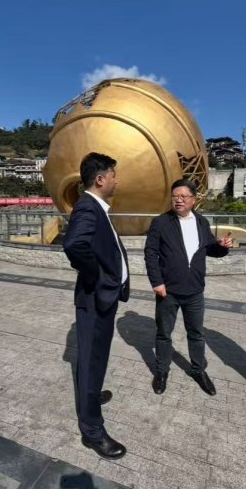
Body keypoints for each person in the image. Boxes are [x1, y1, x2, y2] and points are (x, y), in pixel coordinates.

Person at [63, 152, 129, 460]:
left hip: (103, 297)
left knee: (97, 356)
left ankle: (90, 396)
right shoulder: (88, 207)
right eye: (114, 175)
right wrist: (98, 278)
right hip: (95, 297)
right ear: (100, 179)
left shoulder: (97, 207)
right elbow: (74, 245)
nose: (117, 180)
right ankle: (92, 431)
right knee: (91, 359)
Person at [144, 179, 233, 396]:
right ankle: (162, 371)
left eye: (184, 196)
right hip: (168, 291)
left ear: (193, 200)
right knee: (164, 334)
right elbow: (150, 253)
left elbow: (209, 249)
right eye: (175, 196)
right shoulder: (161, 222)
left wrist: (222, 247)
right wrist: (157, 282)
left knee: (196, 334)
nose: (179, 200)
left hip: (195, 291)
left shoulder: (201, 222)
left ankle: (198, 370)